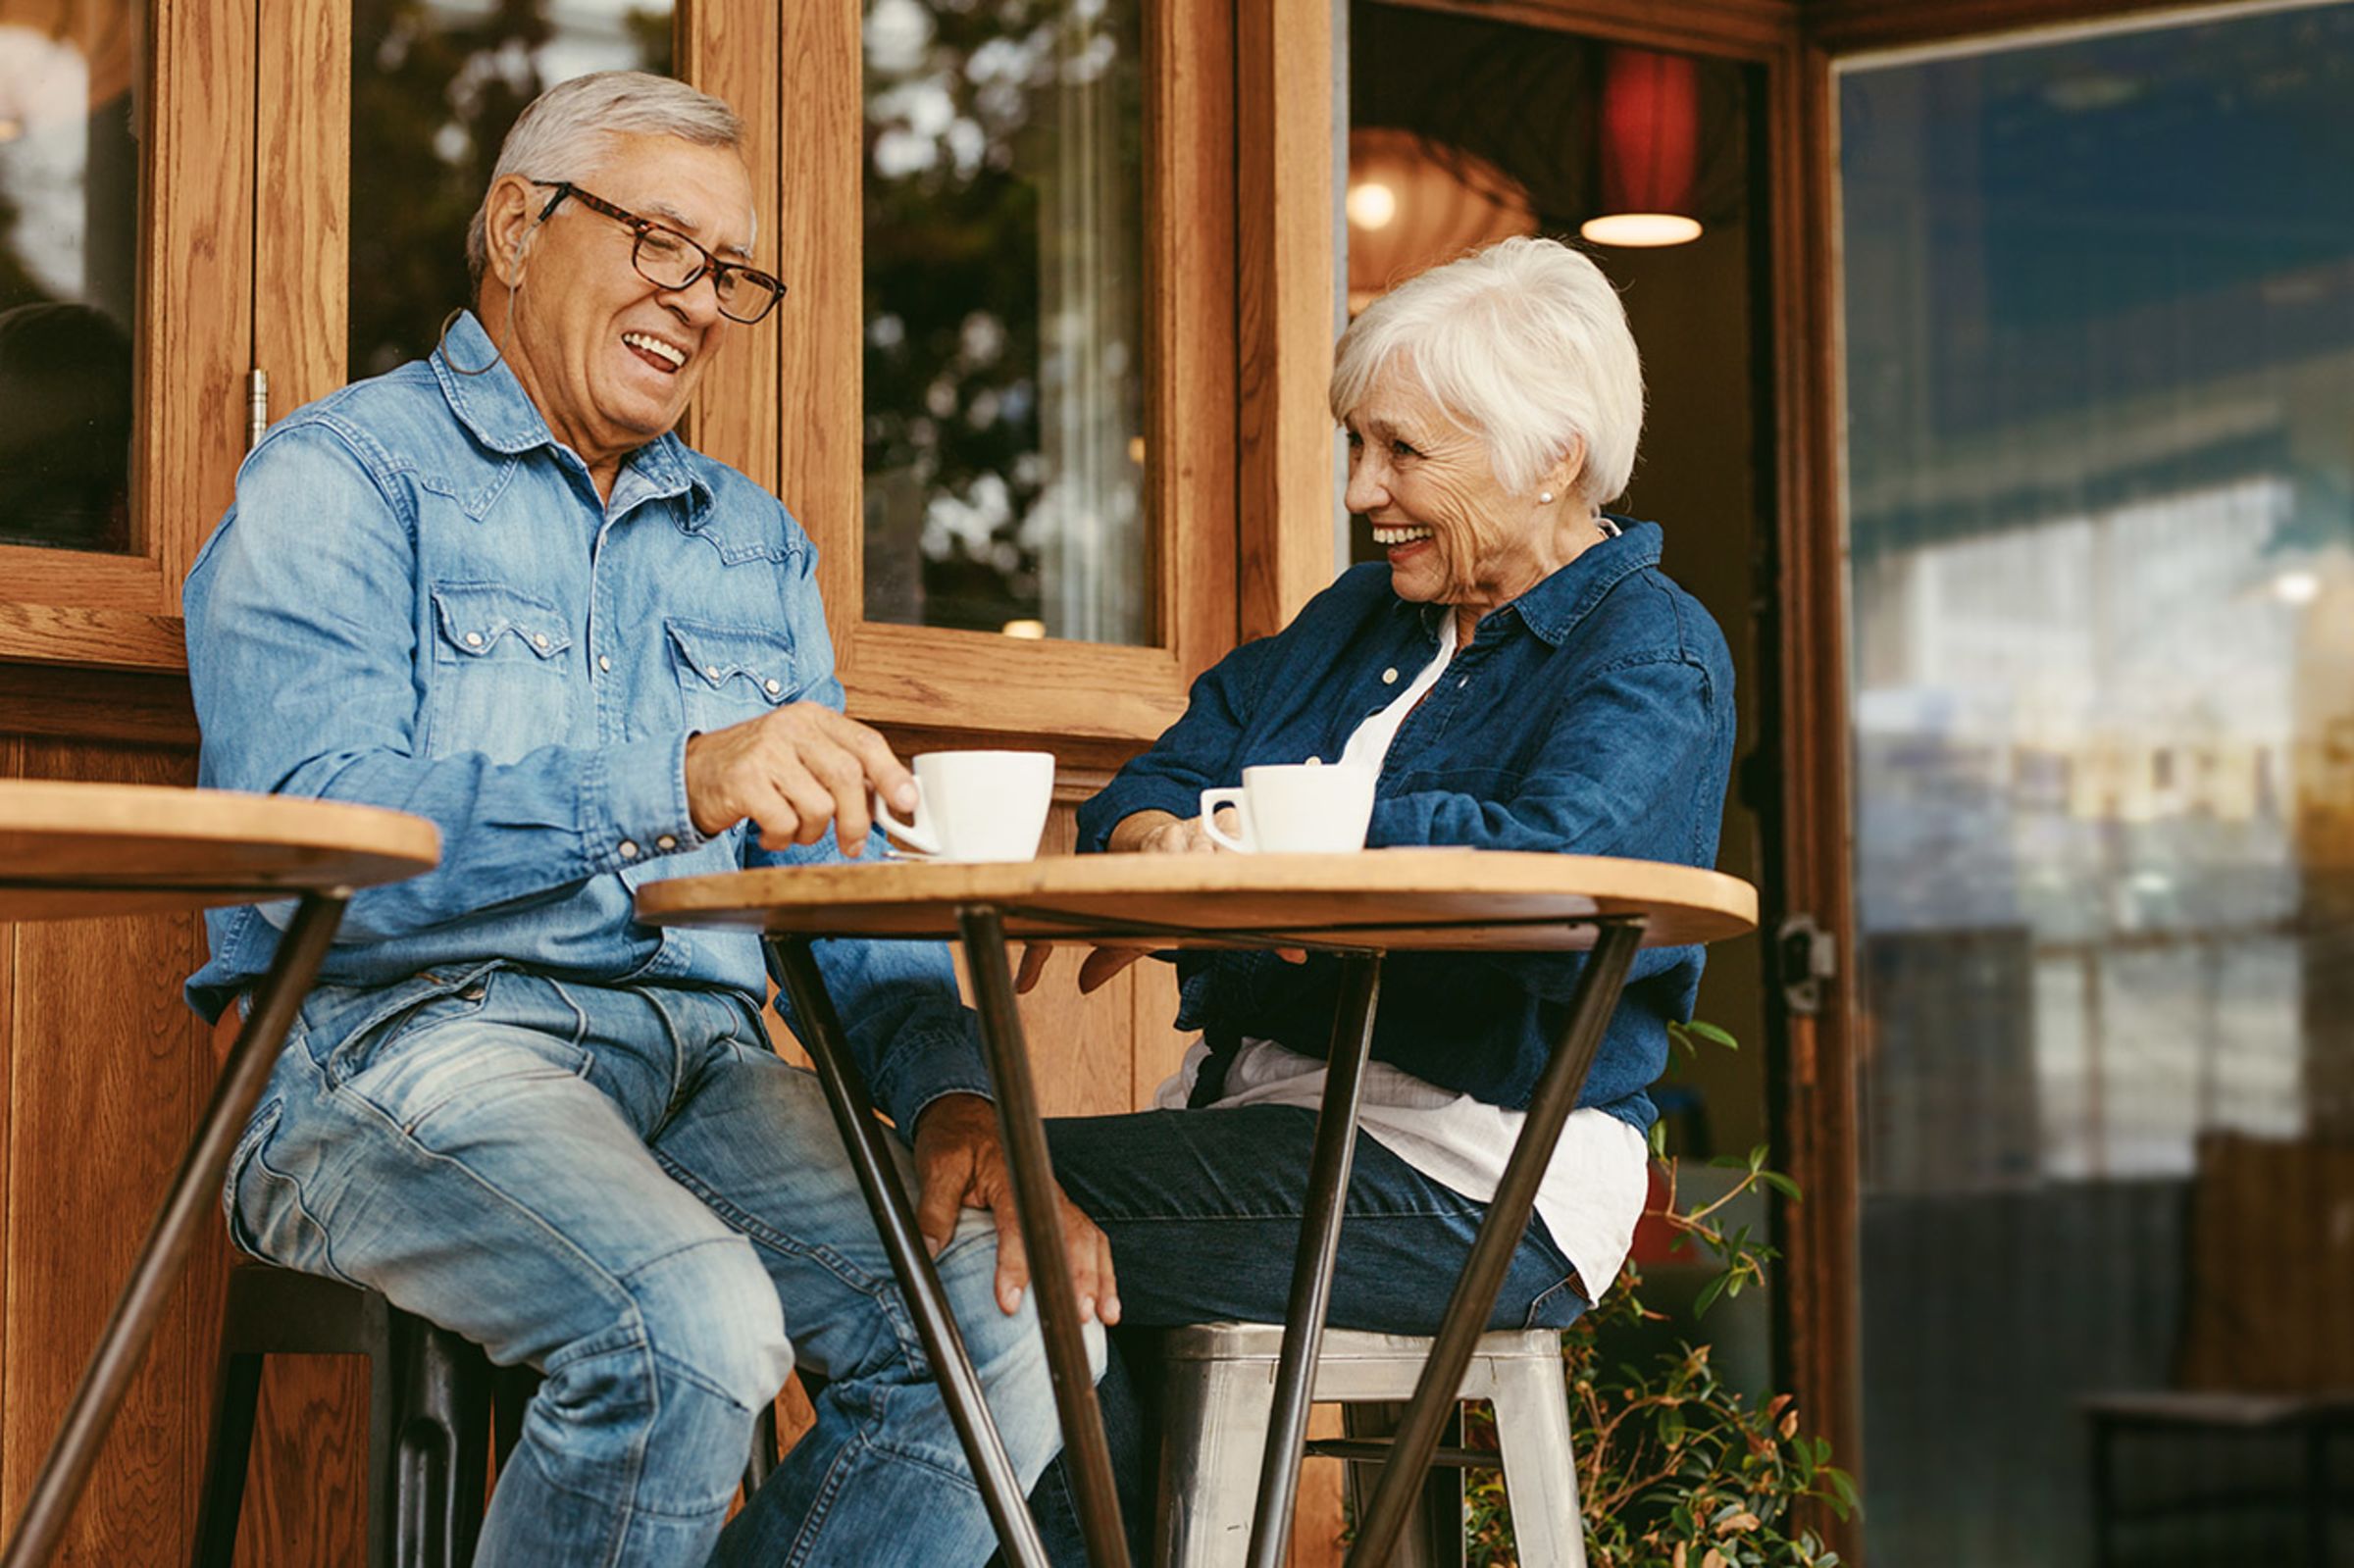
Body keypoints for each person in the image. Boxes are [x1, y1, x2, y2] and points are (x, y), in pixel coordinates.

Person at [183, 71, 1110, 1568]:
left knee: (1017, 1329)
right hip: (395, 1045)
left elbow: (845, 907)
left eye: (730, 271)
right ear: (513, 226)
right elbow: (307, 848)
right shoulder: (342, 479)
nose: (696, 297)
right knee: (692, 1327)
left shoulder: (755, 547)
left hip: (700, 1067)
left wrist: (956, 1102)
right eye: (660, 243)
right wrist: (672, 780)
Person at [1023, 234, 1735, 1518]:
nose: (1363, 489)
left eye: (1403, 451)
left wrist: (1296, 842)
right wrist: (1170, 847)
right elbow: (1144, 789)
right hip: (1254, 1133)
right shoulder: (1352, 620)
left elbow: (1555, 866)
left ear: (1549, 457)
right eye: (1359, 445)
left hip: (1477, 1181)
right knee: (992, 1211)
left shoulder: (1650, 646)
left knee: (986, 1204)